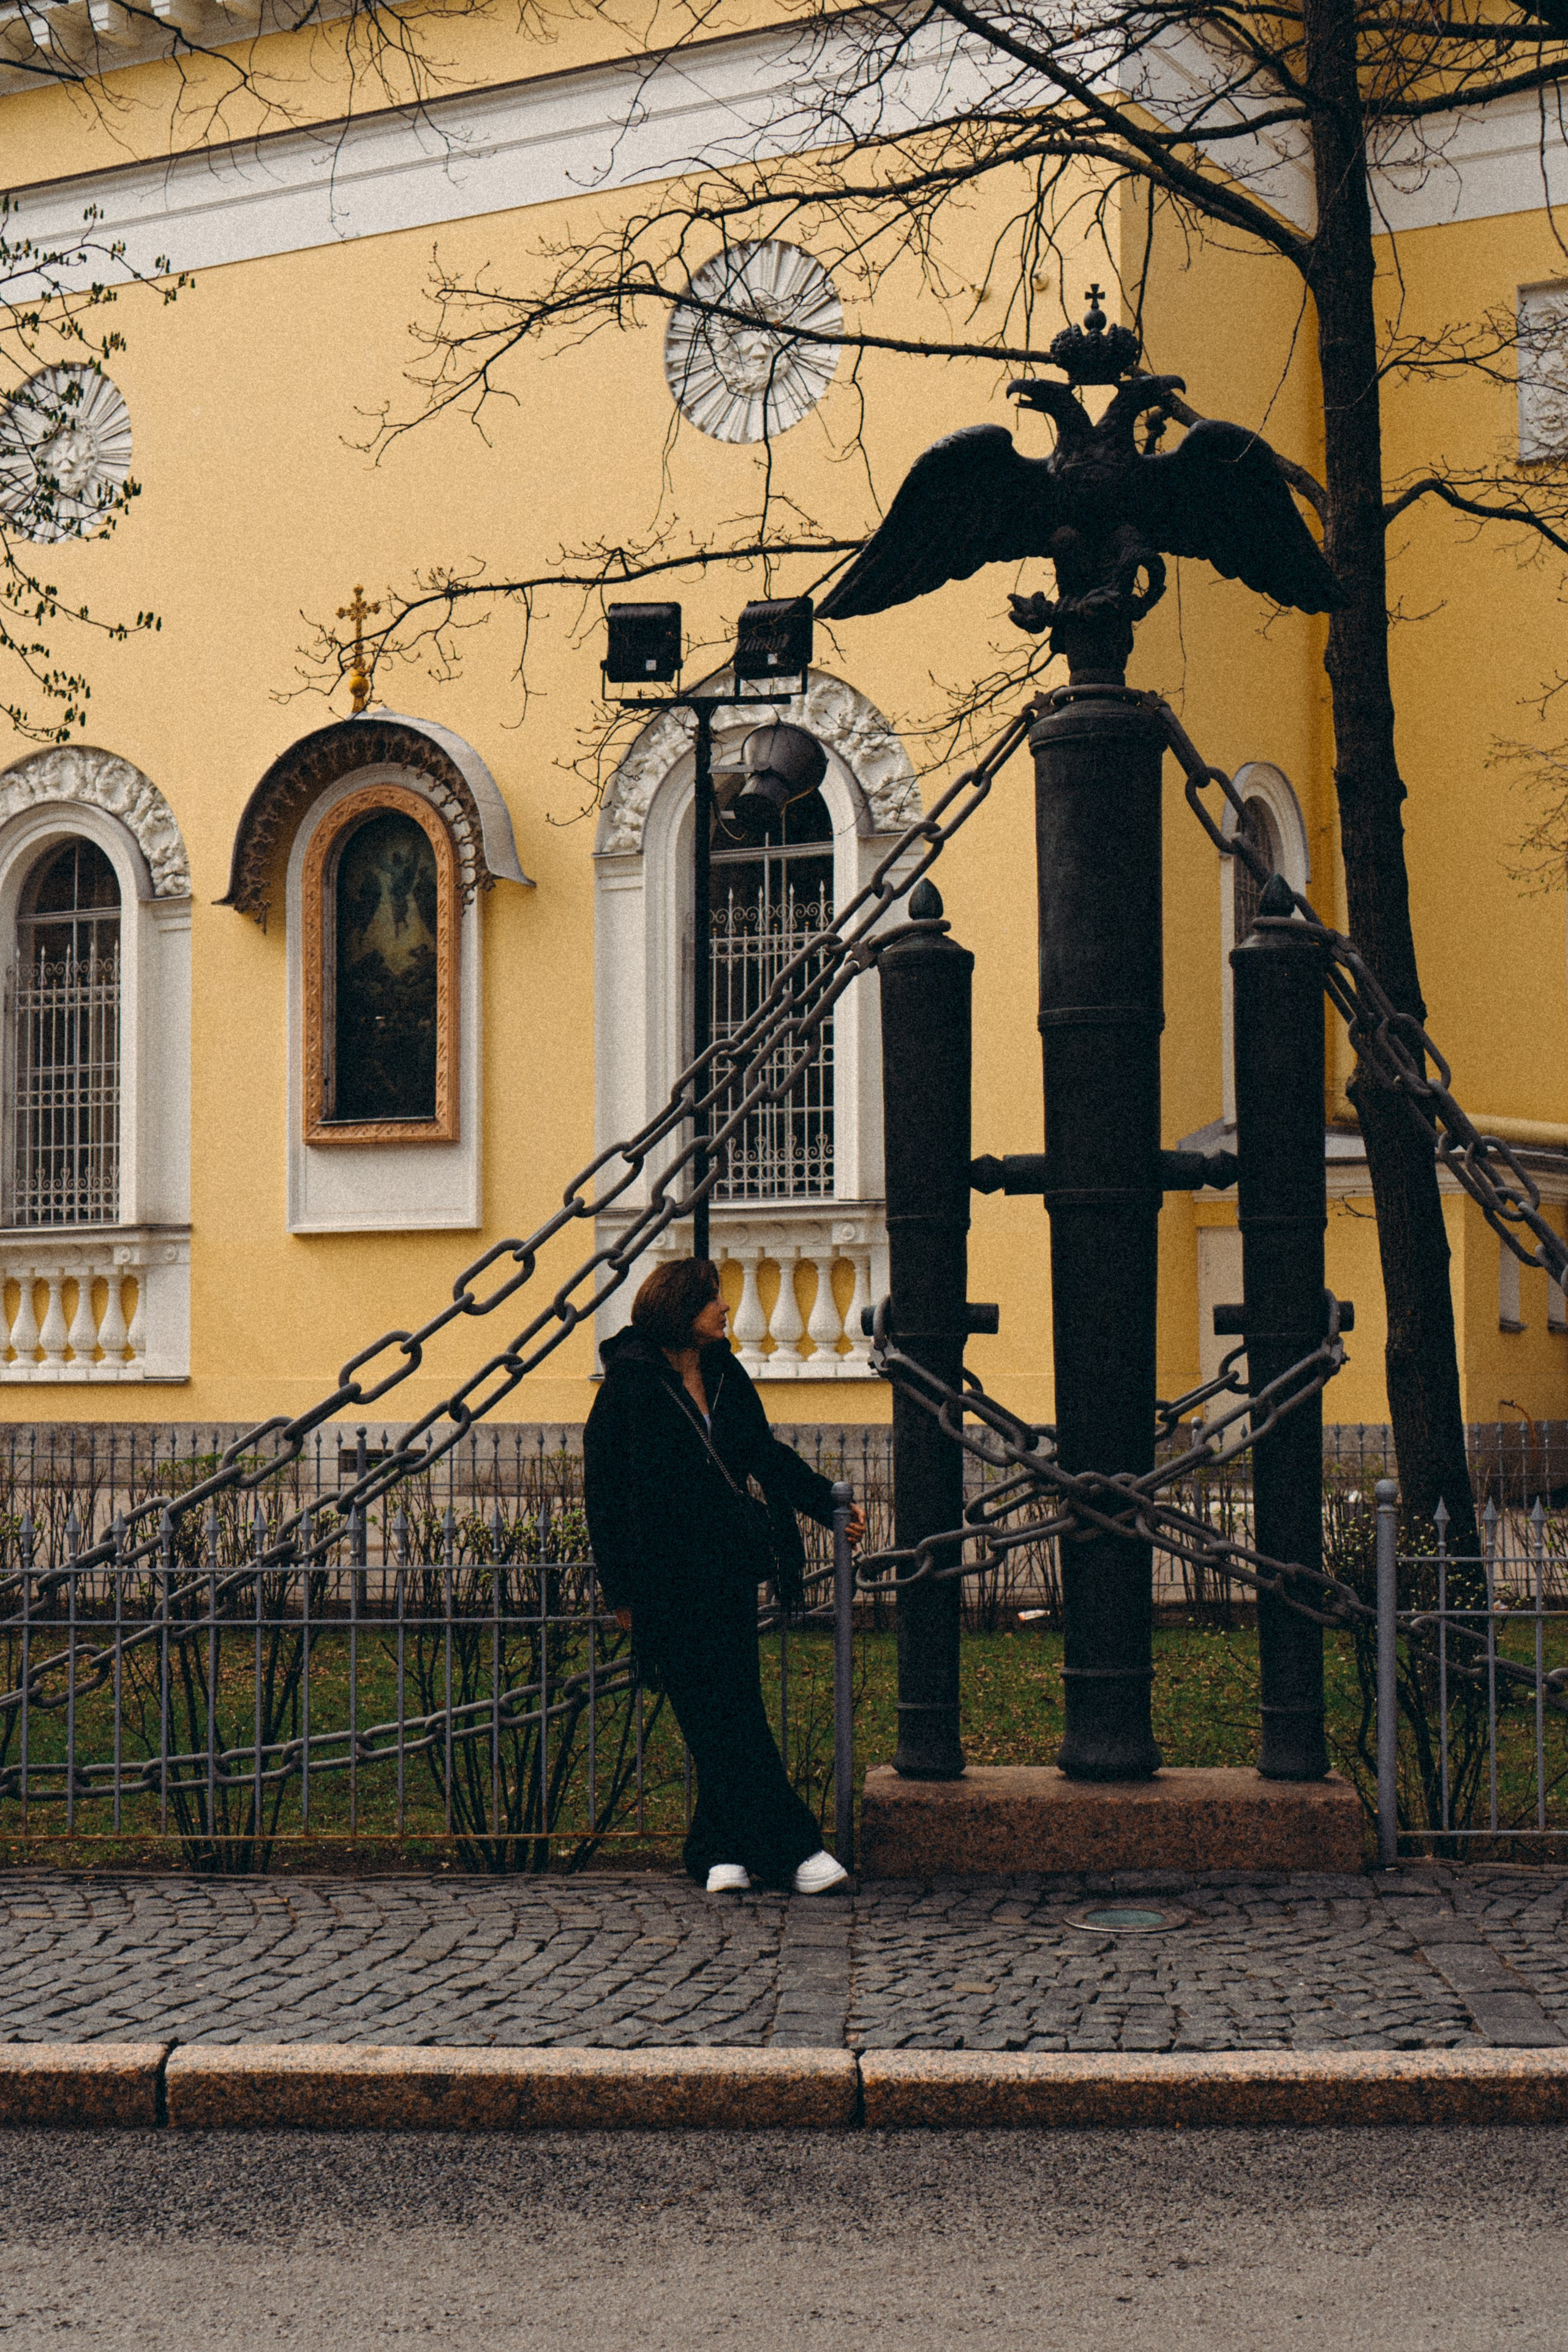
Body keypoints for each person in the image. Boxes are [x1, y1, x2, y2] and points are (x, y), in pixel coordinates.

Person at [584, 1256, 866, 1895]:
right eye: (713, 1299)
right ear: (680, 1308)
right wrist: (620, 1592)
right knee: (716, 1715)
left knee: (731, 1708)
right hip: (664, 1579)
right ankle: (795, 1850)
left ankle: (717, 1850)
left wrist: (825, 1503)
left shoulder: (723, 1372)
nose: (725, 1309)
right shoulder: (629, 1385)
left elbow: (761, 1452)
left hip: (724, 1569)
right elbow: (603, 1495)